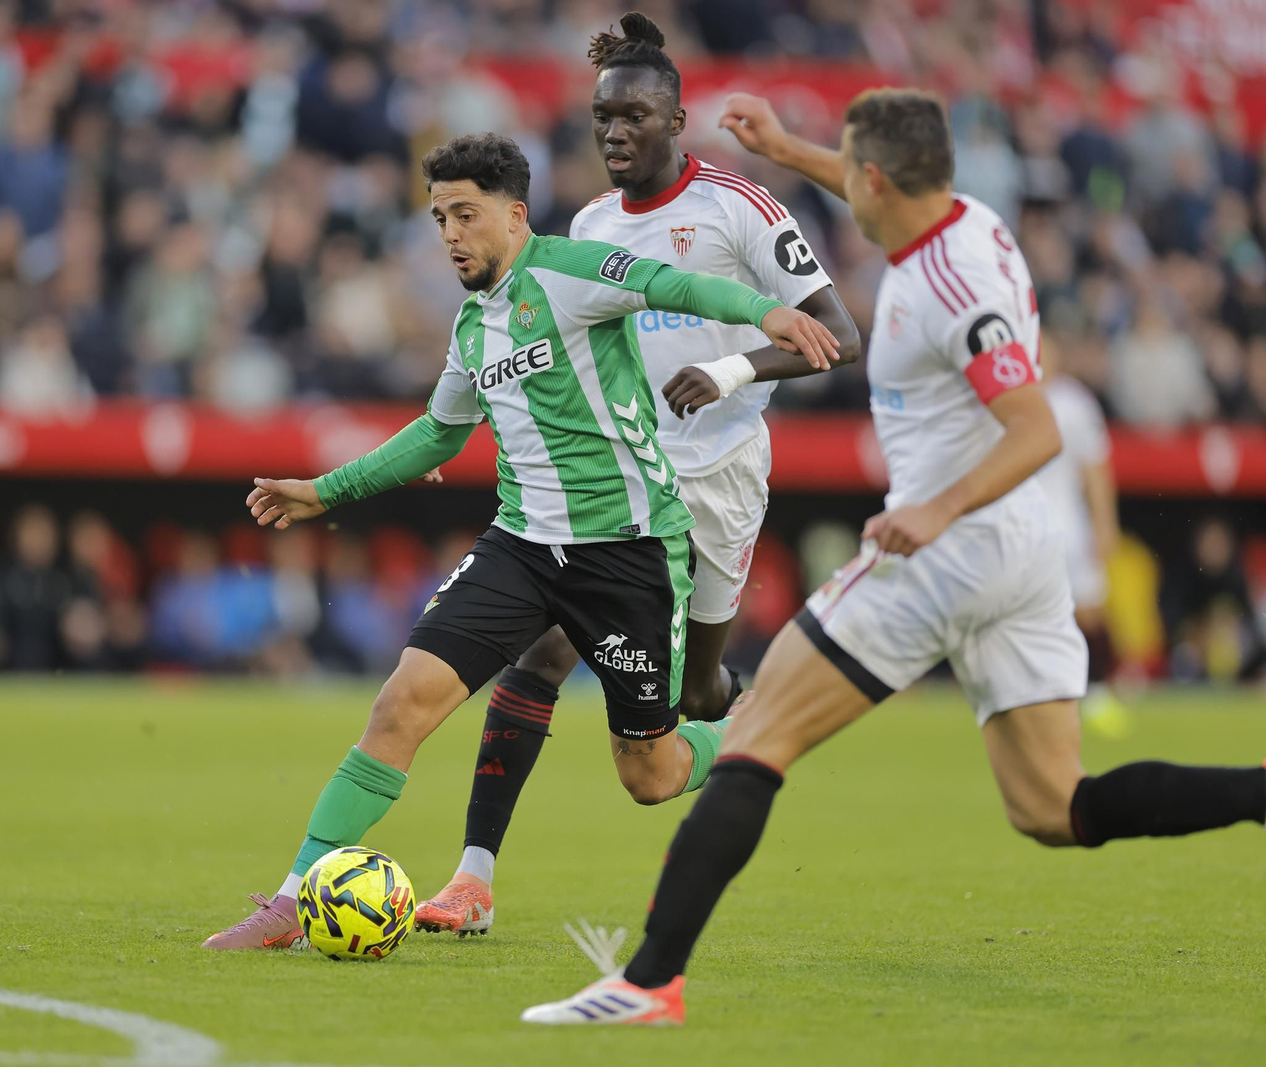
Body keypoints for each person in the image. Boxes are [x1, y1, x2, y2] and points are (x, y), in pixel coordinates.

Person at [522, 90, 1266, 1026]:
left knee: (753, 738)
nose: (846, 186)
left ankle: (646, 983)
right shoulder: (963, 221)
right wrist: (790, 147)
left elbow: (1035, 428)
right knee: (1051, 805)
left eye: (846, 166)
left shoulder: (945, 287)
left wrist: (935, 510)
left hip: (949, 545)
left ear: (876, 179)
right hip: (1023, 553)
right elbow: (874, 188)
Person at [202, 131, 840, 950]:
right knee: (400, 703)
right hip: (521, 548)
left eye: (465, 215)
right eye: (438, 219)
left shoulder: (571, 271)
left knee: (649, 774)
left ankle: (749, 723)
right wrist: (325, 491)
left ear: (514, 214)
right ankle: (292, 902)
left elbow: (665, 280)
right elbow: (438, 433)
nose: (451, 235)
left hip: (628, 551)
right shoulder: (473, 326)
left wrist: (768, 312)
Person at [415, 11, 861, 937]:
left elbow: (840, 337)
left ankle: (754, 725)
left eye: (634, 117)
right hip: (622, 479)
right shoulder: (589, 222)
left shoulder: (740, 208)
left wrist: (734, 368)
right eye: (602, 119)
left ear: (676, 118)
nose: (615, 134)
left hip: (721, 480)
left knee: (696, 702)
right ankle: (473, 877)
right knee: (538, 654)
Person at [1036, 330, 1128, 736]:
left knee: (1088, 612)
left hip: (1070, 526)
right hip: (1020, 527)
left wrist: (1105, 525)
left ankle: (1098, 691)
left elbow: (1095, 469)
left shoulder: (1074, 403)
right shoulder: (1000, 398)